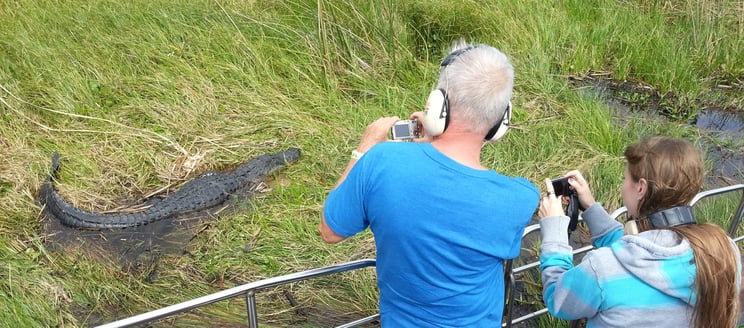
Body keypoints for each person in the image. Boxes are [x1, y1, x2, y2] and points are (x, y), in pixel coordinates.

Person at [318, 40, 540, 327]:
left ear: (437, 105)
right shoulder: (520, 197)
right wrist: (436, 140)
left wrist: (364, 150)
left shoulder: (381, 161)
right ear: (502, 120)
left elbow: (330, 230)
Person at [538, 136, 741, 328]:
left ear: (641, 188)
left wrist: (554, 231)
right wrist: (590, 207)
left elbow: (559, 299)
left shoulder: (601, 269)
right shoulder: (723, 250)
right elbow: (642, 248)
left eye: (625, 178)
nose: (621, 186)